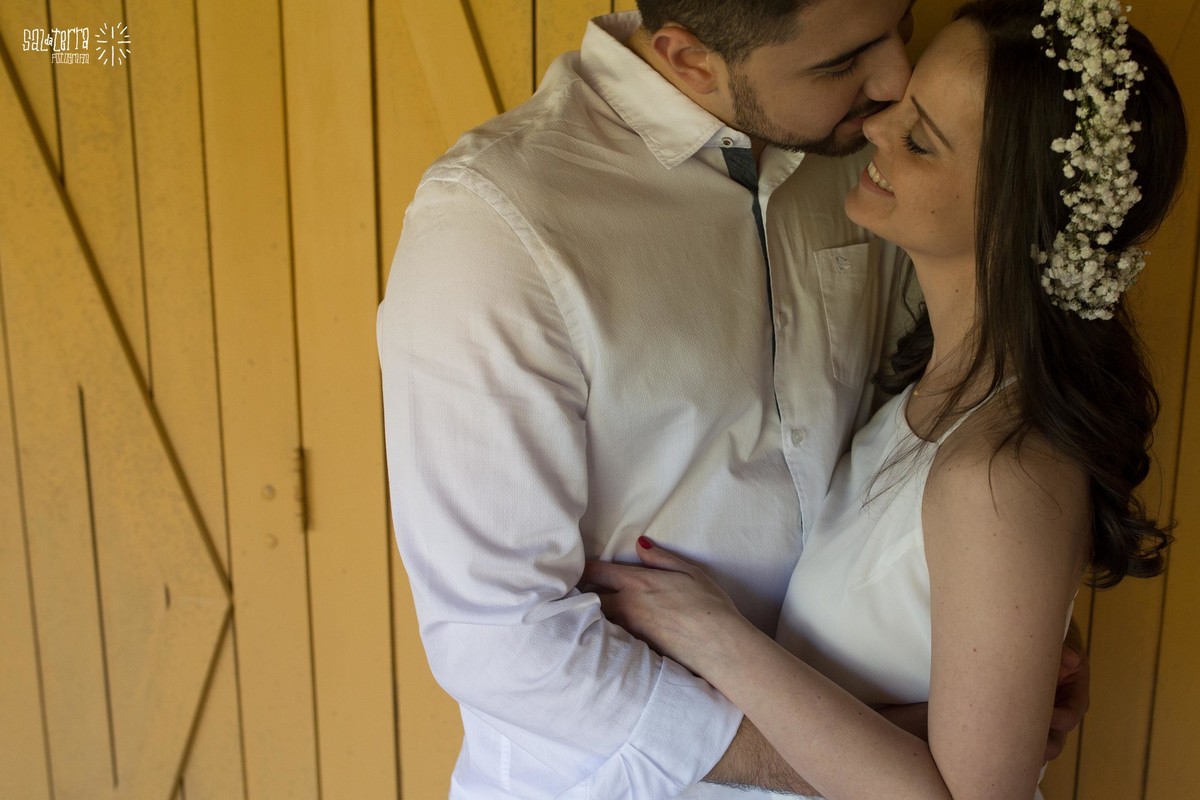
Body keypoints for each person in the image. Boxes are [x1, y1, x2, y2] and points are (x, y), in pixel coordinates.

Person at [377, 1, 1088, 796]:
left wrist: (1007, 648)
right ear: (690, 60)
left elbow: (955, 448)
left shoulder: (868, 159)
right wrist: (883, 766)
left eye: (904, 23)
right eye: (841, 60)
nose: (894, 81)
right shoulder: (496, 225)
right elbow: (499, 638)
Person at [584, 1, 1186, 799]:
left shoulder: (999, 472)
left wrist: (717, 637)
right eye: (905, 102)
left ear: (1013, 213)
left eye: (921, 139)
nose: (875, 125)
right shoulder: (925, 382)